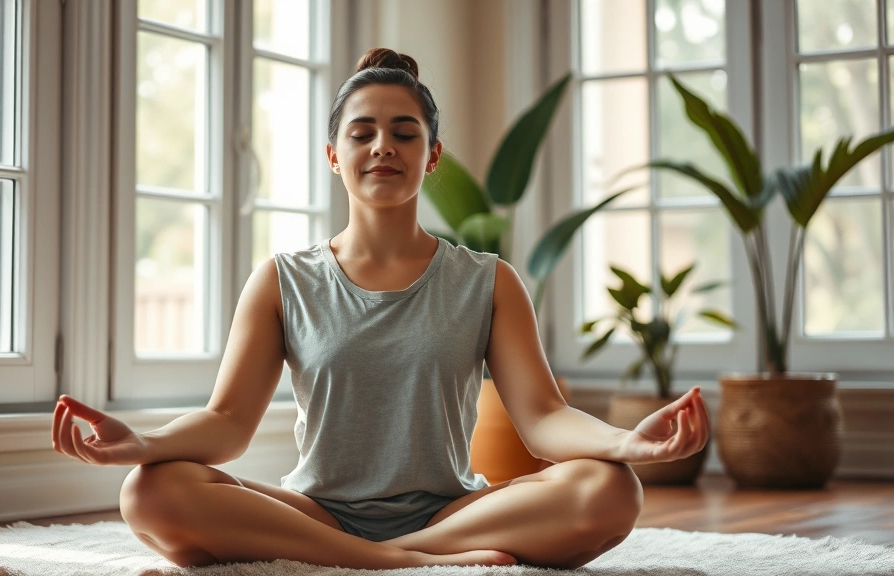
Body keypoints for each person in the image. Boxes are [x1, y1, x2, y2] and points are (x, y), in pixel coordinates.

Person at [51, 47, 711, 570]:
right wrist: (145, 443)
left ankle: (388, 556)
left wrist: (623, 442)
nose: (383, 147)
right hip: (316, 515)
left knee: (613, 490)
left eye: (404, 132)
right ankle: (387, 563)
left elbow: (542, 419)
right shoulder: (282, 279)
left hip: (456, 514)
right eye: (362, 134)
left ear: (432, 157)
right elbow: (226, 423)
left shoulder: (489, 280)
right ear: (335, 156)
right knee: (148, 490)